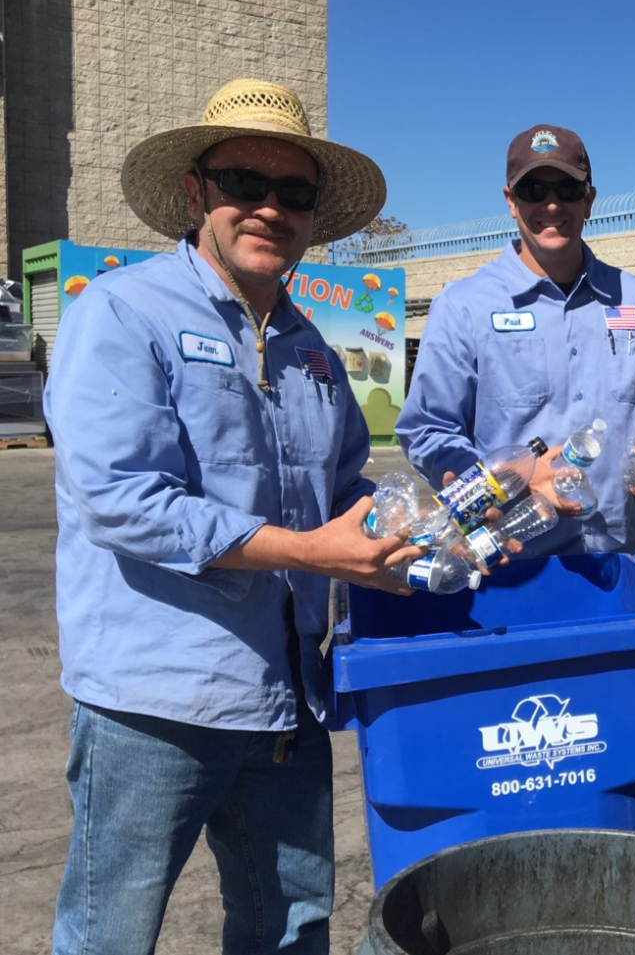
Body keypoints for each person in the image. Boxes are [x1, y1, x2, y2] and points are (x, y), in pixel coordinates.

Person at [44, 78, 422, 955]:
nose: (268, 207)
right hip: (155, 703)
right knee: (110, 931)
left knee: (290, 925)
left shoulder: (310, 346)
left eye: (293, 193)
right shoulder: (121, 313)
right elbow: (120, 499)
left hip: (285, 696)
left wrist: (414, 518)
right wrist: (313, 550)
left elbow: (338, 483)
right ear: (194, 193)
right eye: (243, 182)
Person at [396, 124, 635, 556]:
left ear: (589, 200)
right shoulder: (463, 307)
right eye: (533, 190)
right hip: (508, 565)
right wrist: (504, 481)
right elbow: (428, 430)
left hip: (619, 559)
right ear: (511, 202)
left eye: (568, 189)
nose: (551, 204)